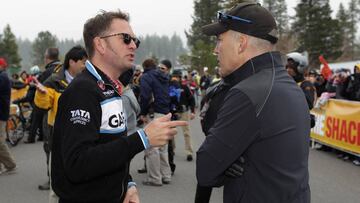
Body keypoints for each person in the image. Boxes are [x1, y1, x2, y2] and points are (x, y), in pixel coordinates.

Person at [51, 10, 187, 203]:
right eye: (125, 38)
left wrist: (127, 184)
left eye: (135, 40)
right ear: (100, 44)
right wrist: (143, 138)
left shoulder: (110, 88)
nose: (133, 45)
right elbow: (77, 164)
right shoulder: (82, 91)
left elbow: (110, 148)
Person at [197, 2, 310, 203]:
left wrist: (226, 165)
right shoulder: (291, 87)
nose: (216, 50)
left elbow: (205, 169)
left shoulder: (247, 93)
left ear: (241, 43)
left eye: (220, 40)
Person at [34, 46, 88, 192]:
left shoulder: (87, 79)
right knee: (54, 161)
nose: (85, 65)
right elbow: (43, 104)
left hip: (80, 127)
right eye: (83, 62)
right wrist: (42, 94)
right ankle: (52, 181)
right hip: (56, 128)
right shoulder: (54, 81)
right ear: (72, 62)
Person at [139, 59, 173, 186]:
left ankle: (155, 178)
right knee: (163, 146)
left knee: (152, 146)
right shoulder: (164, 76)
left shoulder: (146, 77)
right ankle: (166, 175)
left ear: (145, 67)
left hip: (153, 112)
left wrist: (142, 112)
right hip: (165, 111)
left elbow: (145, 96)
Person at [25, 47, 61, 144]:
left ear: (47, 57)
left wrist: (31, 85)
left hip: (47, 100)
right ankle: (42, 136)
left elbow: (40, 86)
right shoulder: (62, 69)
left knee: (36, 118)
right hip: (60, 102)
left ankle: (31, 138)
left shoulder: (47, 71)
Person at [0, 57, 17, 175]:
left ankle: (10, 164)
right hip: (2, 112)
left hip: (0, 113)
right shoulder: (4, 76)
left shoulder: (2, 77)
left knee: (0, 141)